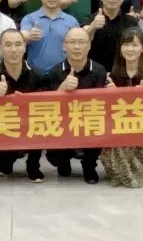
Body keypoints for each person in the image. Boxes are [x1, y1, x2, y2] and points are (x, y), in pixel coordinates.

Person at [0, 29, 49, 182]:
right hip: (3, 125)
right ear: (0, 48)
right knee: (4, 164)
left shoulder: (38, 75)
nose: (13, 50)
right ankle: (5, 162)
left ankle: (33, 165)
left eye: (18, 44)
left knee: (41, 122)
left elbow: (45, 105)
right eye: (8, 45)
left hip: (30, 125)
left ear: (24, 47)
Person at [46, 27, 111, 184]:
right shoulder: (55, 72)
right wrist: (62, 89)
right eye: (72, 42)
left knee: (100, 126)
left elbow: (104, 105)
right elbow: (47, 106)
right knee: (55, 154)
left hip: (90, 121)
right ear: (64, 46)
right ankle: (63, 161)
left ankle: (89, 165)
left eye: (81, 42)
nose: (76, 47)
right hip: (64, 123)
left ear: (89, 46)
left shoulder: (99, 70)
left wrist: (112, 92)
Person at [101, 28, 143, 188]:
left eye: (135, 45)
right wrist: (110, 95)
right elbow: (105, 109)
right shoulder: (112, 75)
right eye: (126, 45)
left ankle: (136, 173)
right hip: (118, 125)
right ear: (120, 48)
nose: (130, 49)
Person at [20, 0, 80, 72]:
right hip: (35, 74)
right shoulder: (29, 19)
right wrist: (29, 36)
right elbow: (22, 37)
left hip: (64, 73)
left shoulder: (72, 21)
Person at [82, 0, 139, 71]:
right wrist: (93, 26)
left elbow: (137, 47)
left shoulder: (131, 22)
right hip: (94, 72)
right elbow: (82, 39)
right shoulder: (90, 19)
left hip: (122, 72)